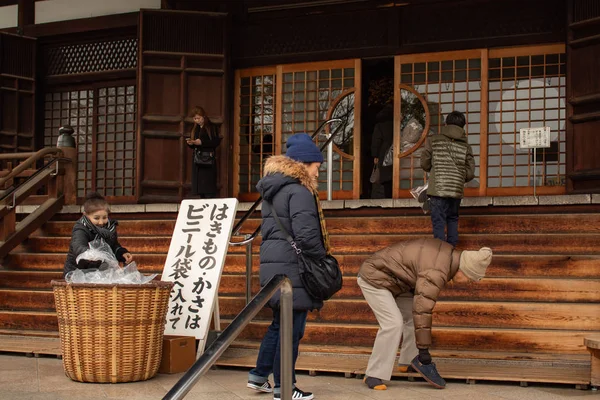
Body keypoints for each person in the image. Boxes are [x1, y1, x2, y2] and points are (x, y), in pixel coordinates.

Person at [247, 133, 330, 400]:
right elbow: (307, 235)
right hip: (293, 268)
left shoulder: (274, 188)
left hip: (274, 265)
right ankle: (285, 387)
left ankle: (259, 376)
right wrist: (322, 259)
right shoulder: (299, 190)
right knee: (291, 329)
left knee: (278, 324)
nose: (319, 169)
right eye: (317, 163)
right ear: (305, 162)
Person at [358, 238, 492, 390]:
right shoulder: (437, 270)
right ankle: (373, 374)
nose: (468, 282)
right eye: (470, 279)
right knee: (393, 323)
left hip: (398, 282)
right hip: (374, 277)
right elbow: (423, 309)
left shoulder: (447, 257)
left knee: (411, 317)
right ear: (463, 269)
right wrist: (424, 354)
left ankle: (408, 361)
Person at [420, 110, 475, 247]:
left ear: (446, 123)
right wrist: (460, 178)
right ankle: (451, 251)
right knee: (452, 219)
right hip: (455, 190)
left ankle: (440, 254)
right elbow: (470, 172)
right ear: (463, 126)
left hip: (438, 189)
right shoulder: (465, 146)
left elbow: (424, 163)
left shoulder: (434, 140)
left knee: (439, 221)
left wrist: (432, 170)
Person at [63, 192, 133, 277]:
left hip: (100, 270)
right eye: (96, 218)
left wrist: (122, 253)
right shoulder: (81, 228)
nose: (101, 222)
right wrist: (93, 254)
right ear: (85, 215)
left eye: (105, 217)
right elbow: (78, 247)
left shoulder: (110, 227)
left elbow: (113, 245)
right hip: (77, 271)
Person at [186, 106, 222, 198]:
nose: (197, 120)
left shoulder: (211, 127)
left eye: (198, 118)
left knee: (208, 186)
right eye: (195, 118)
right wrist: (191, 143)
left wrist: (202, 142)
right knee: (200, 188)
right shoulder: (195, 128)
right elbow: (194, 145)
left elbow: (216, 142)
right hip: (198, 159)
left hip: (207, 159)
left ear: (203, 116)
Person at [371, 105, 394, 198]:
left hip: (383, 152)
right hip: (396, 150)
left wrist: (375, 155)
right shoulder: (396, 124)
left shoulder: (380, 126)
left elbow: (376, 141)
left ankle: (388, 196)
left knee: (385, 176)